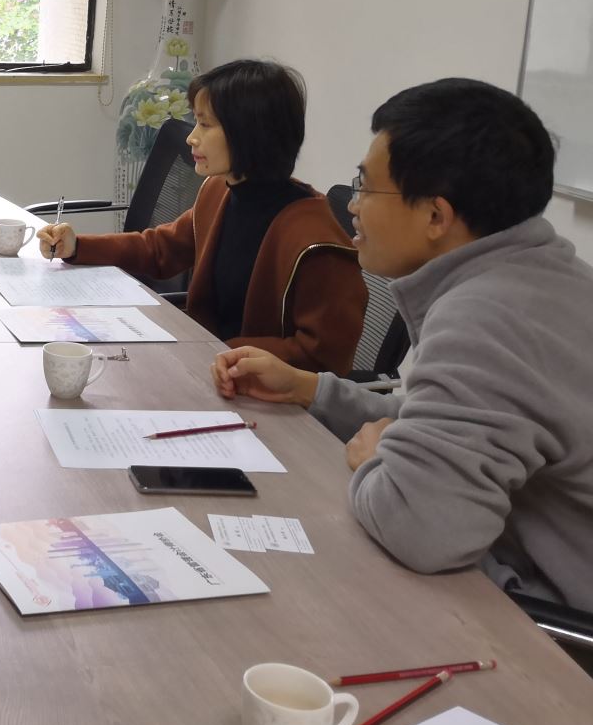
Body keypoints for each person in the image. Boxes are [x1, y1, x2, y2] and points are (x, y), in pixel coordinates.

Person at [212, 79, 593, 611]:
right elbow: (439, 419)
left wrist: (379, 458)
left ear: (436, 216)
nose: (353, 206)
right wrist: (310, 390)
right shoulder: (544, 276)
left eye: (367, 188)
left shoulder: (486, 318)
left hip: (555, 632)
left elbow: (420, 527)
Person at [39, 58, 365, 373]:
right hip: (207, 367)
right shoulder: (220, 190)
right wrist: (78, 246)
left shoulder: (316, 242)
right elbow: (161, 249)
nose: (191, 137)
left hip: (258, 390)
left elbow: (323, 359)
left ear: (250, 133)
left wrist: (222, 352)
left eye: (205, 124)